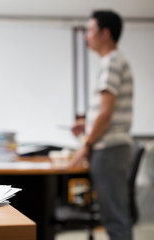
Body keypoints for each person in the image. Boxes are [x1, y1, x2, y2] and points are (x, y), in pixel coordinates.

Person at [69, 10, 133, 240]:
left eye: (90, 30)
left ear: (105, 34)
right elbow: (107, 111)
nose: (86, 35)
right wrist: (86, 124)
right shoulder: (113, 61)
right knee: (114, 215)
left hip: (109, 150)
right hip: (110, 149)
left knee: (114, 217)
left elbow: (105, 114)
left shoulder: (112, 62)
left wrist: (86, 142)